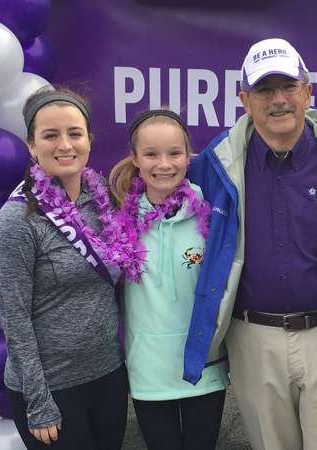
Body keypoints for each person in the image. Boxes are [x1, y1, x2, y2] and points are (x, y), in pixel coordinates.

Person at [183, 38, 317, 450]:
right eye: (264, 90)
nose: (278, 100)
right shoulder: (214, 166)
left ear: (308, 92)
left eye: (288, 86)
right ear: (244, 100)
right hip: (253, 338)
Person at [0, 87, 128, 449]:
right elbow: (14, 319)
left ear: (89, 141)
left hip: (107, 376)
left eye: (74, 133)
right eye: (50, 135)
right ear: (32, 146)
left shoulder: (104, 203)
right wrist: (39, 403)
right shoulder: (18, 219)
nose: (64, 144)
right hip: (52, 390)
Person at [108, 109, 228, 450]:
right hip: (148, 369)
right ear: (135, 158)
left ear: (188, 156)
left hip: (204, 368)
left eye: (174, 153)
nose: (164, 164)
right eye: (151, 154)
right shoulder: (118, 221)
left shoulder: (212, 215)